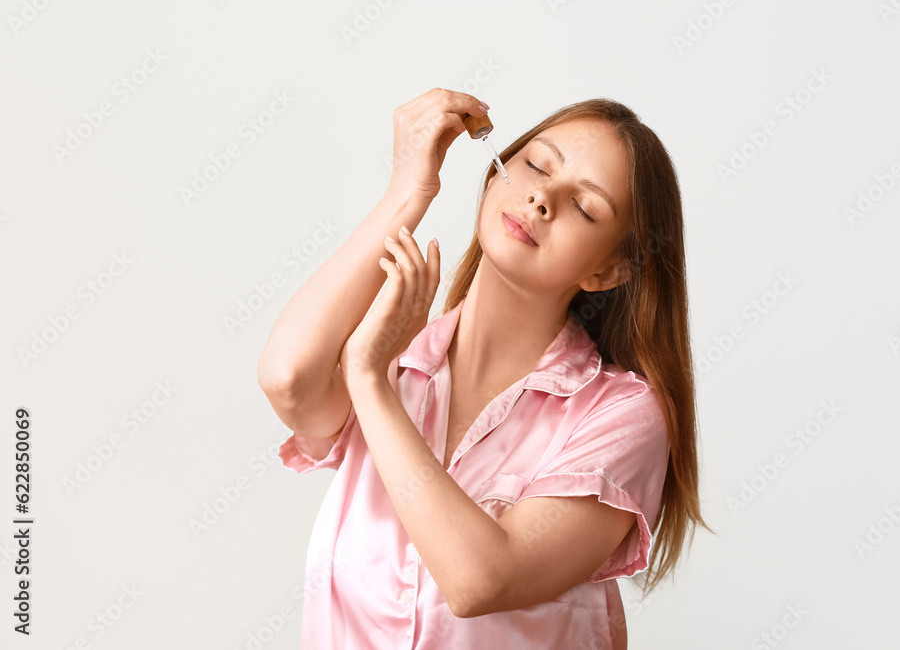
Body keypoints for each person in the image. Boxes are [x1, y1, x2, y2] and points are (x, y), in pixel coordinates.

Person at [258, 88, 712, 649]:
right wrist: (409, 188)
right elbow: (289, 380)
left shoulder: (622, 414)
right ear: (496, 173)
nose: (542, 197)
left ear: (608, 270)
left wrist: (369, 380)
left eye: (585, 207)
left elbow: (481, 580)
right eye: (535, 166)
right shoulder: (399, 359)